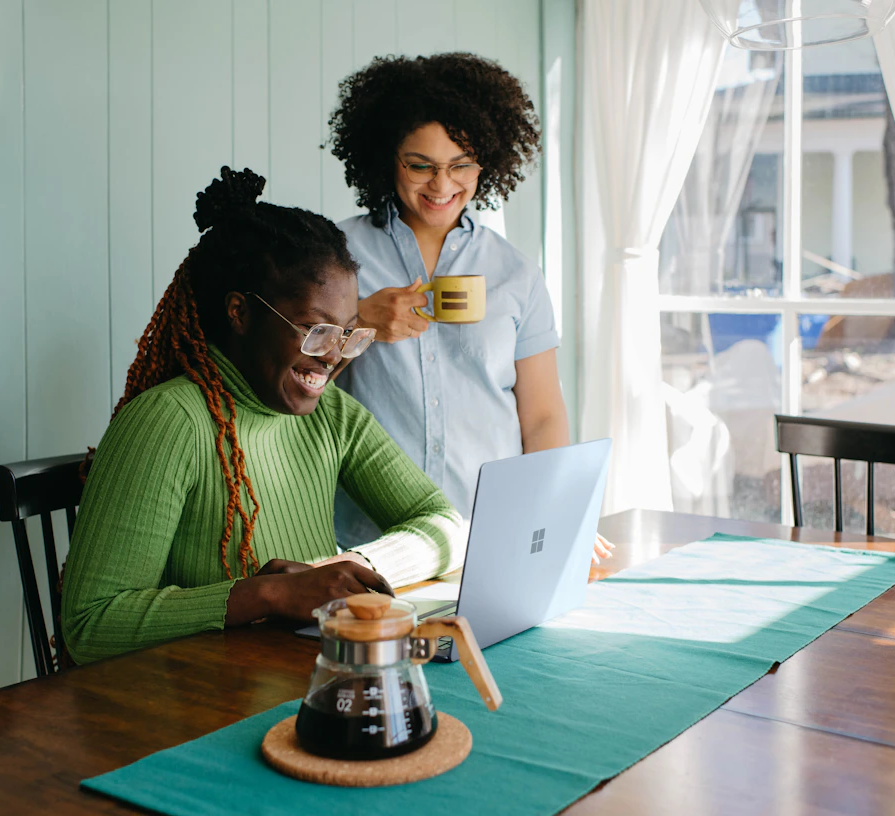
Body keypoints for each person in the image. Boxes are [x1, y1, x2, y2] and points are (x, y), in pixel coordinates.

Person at [60, 167, 465, 665]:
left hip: (300, 679)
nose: (333, 356)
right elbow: (89, 624)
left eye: (349, 334)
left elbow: (445, 524)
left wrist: (349, 566)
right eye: (315, 331)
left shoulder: (331, 413)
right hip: (200, 706)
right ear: (239, 312)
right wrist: (266, 594)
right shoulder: (170, 422)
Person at [328, 52, 613, 562]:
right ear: (386, 156)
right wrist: (359, 322)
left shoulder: (516, 273)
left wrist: (556, 513)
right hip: (370, 543)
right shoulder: (333, 256)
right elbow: (283, 388)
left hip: (491, 534)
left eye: (461, 165)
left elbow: (543, 415)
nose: (442, 186)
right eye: (421, 166)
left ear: (488, 162)